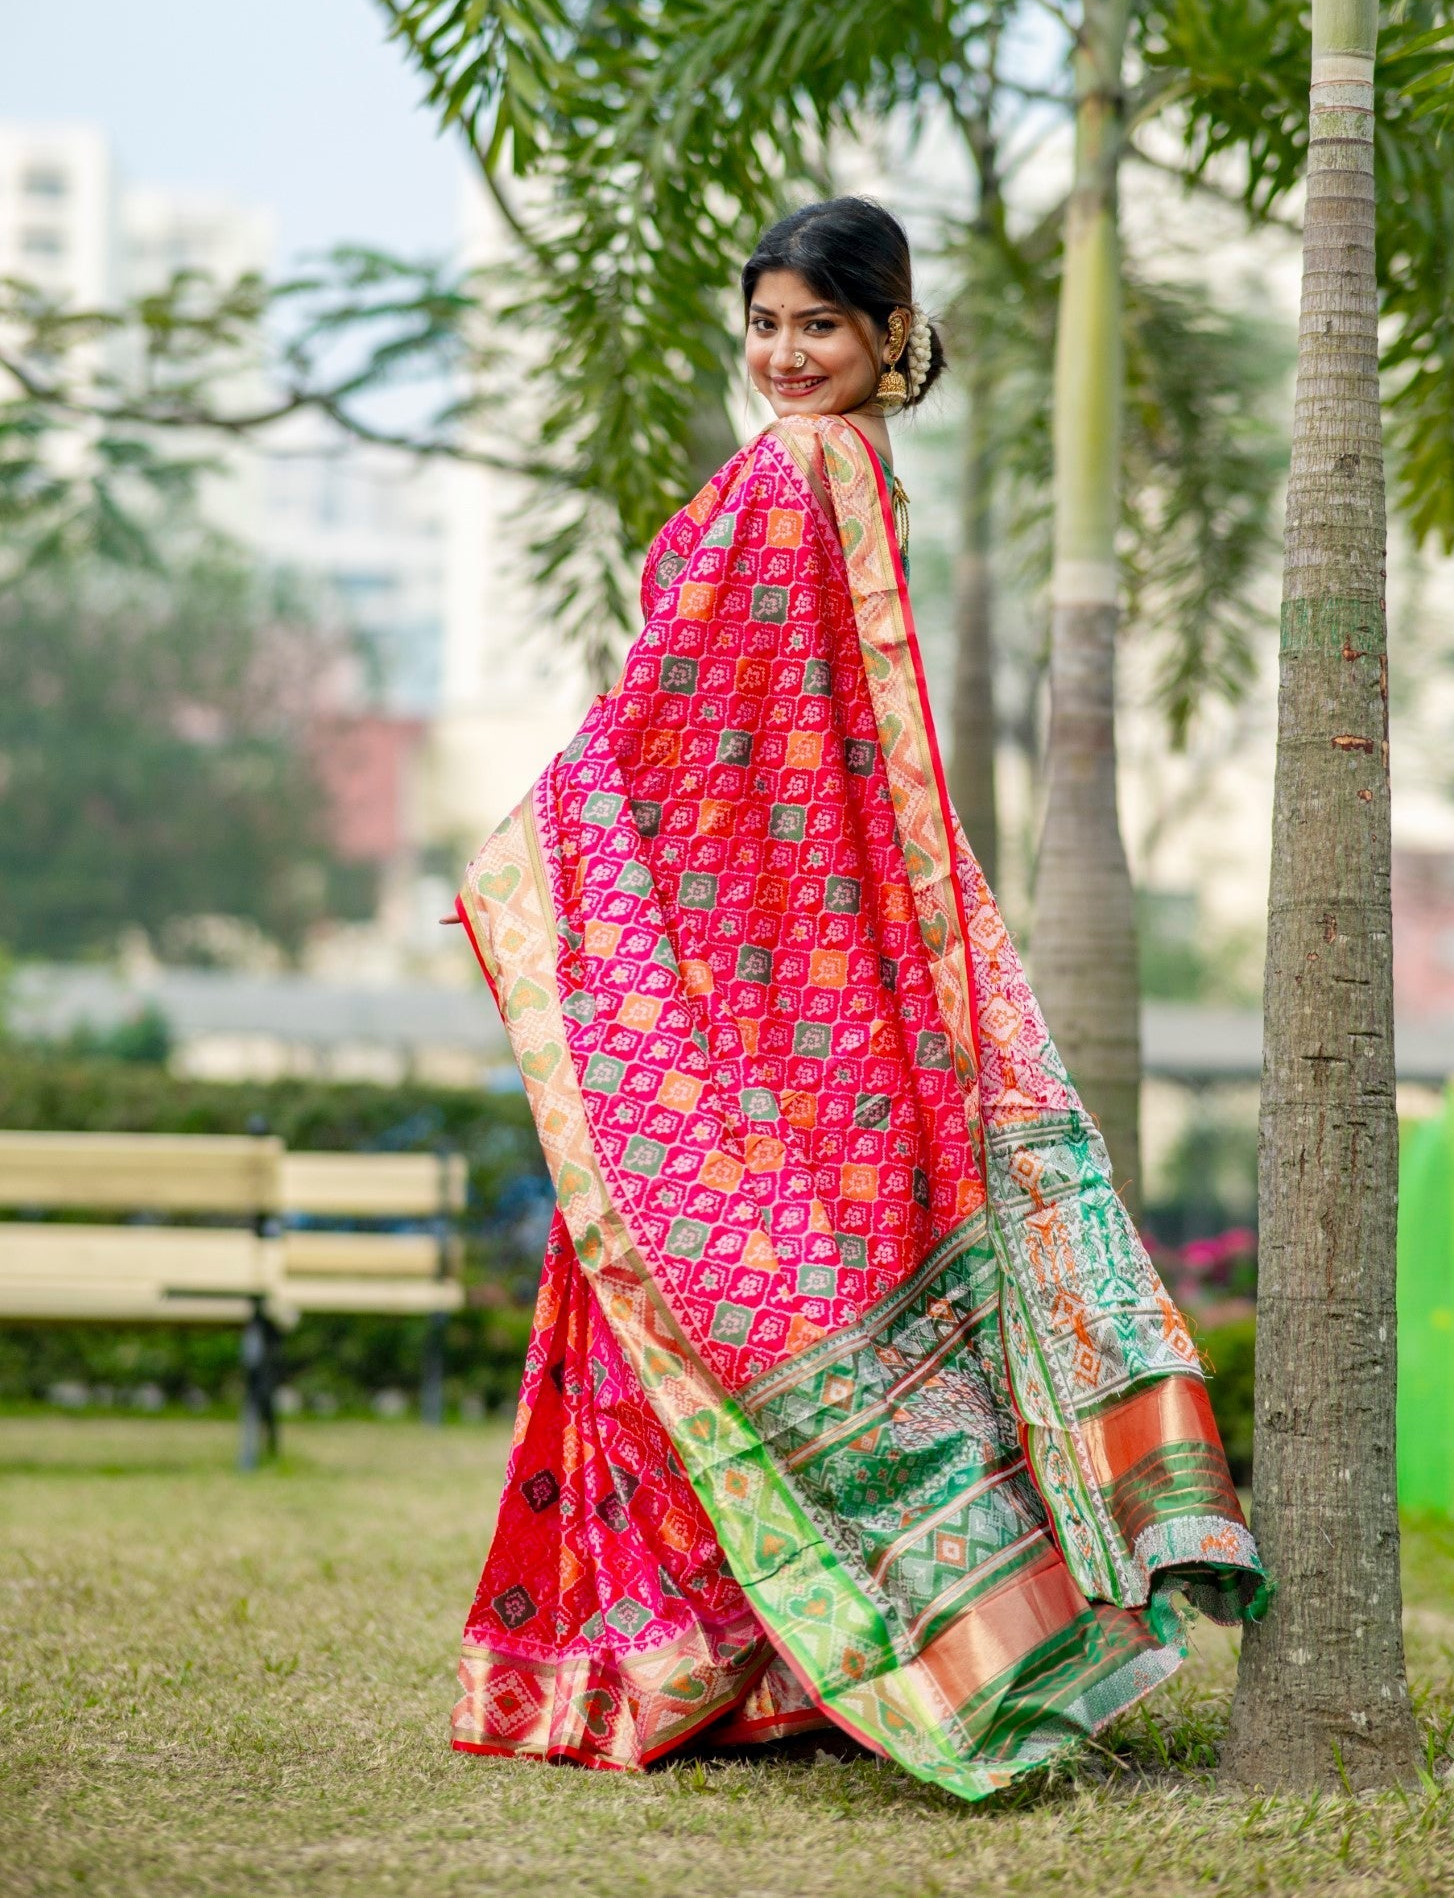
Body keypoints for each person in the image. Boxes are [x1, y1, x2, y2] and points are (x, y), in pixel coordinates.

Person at [451, 196, 1264, 1799]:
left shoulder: (805, 467)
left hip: (747, 971)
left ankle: (677, 1663)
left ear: (890, 336)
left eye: (817, 325)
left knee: (681, 1286)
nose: (782, 354)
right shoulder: (852, 472)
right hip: (786, 956)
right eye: (763, 323)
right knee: (714, 1287)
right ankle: (786, 1659)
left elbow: (693, 701)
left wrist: (553, 838)